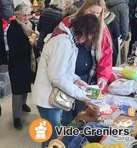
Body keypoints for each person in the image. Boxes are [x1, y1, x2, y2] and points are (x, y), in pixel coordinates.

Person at [32, 14, 100, 148]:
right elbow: (57, 76)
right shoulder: (62, 42)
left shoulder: (66, 38)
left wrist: (76, 79)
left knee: (51, 136)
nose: (89, 40)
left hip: (50, 96)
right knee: (54, 140)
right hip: (48, 99)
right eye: (90, 36)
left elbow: (60, 68)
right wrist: (80, 94)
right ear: (84, 31)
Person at [61, 0, 113, 125]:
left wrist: (103, 77)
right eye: (91, 11)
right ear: (84, 9)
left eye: (97, 13)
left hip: (87, 78)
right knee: (65, 113)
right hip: (67, 76)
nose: (94, 15)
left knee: (83, 114)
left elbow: (106, 54)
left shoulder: (103, 28)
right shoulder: (68, 22)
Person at [7, 4, 37, 130]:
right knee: (17, 91)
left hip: (28, 62)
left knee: (25, 87)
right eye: (24, 15)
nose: (26, 17)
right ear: (17, 15)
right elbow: (14, 50)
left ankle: (24, 104)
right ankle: (16, 117)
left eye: (28, 15)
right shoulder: (13, 29)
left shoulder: (31, 26)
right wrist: (29, 44)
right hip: (17, 63)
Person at [106, 0, 129, 65]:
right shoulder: (123, 5)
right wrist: (125, 36)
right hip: (117, 33)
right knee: (115, 56)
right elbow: (124, 21)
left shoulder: (108, 2)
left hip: (106, 31)